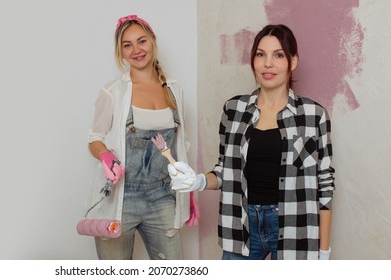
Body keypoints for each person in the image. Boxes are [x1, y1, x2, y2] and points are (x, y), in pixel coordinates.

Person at [168, 24, 335, 260]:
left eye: (278, 55)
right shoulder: (233, 109)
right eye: (260, 54)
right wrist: (199, 181)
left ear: (293, 61)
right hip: (240, 225)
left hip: (294, 229)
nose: (268, 63)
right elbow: (225, 169)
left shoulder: (313, 115)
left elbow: (324, 184)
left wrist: (324, 251)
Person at [85, 15, 195, 260]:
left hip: (163, 197)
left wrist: (188, 193)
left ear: (153, 41)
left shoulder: (175, 91)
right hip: (120, 198)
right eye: (127, 45)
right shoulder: (113, 92)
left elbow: (180, 146)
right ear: (121, 52)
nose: (136, 50)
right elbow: (95, 138)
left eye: (141, 41)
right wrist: (105, 156)